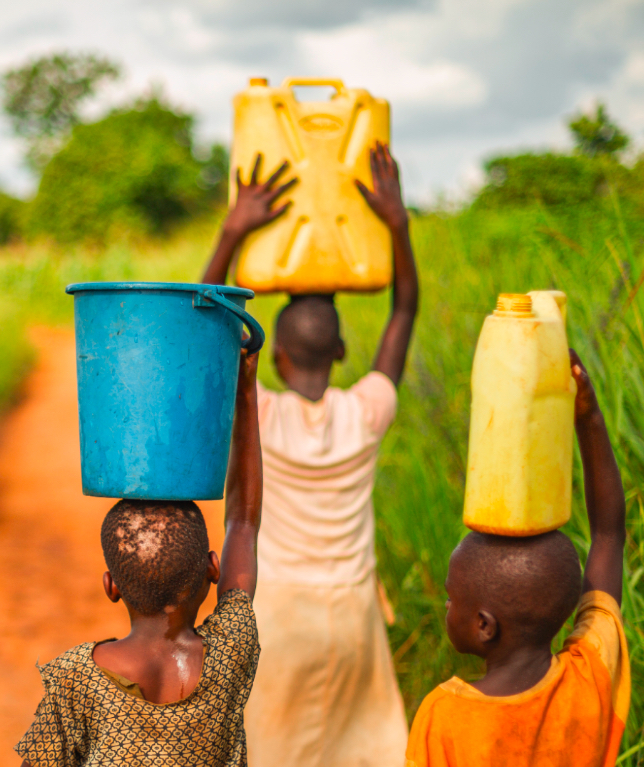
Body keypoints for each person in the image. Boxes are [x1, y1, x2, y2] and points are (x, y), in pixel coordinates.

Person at [202, 142, 419, 767]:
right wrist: (396, 223)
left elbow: (202, 319)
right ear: (344, 352)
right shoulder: (366, 413)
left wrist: (236, 227)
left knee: (270, 749)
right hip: (352, 615)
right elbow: (405, 308)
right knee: (353, 751)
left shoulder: (260, 414)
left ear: (276, 357)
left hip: (277, 615)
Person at [16, 349, 263, 767]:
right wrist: (245, 387)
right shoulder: (229, 654)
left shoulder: (75, 679)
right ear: (213, 569)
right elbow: (243, 522)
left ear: (111, 587)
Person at [405, 350, 631, 767]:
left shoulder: (445, 717)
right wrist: (590, 415)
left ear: (484, 626)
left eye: (453, 599)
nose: (447, 605)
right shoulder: (591, 676)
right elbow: (608, 536)